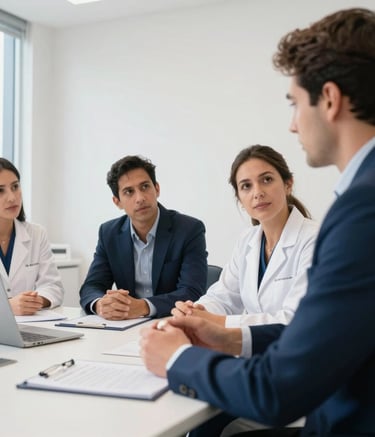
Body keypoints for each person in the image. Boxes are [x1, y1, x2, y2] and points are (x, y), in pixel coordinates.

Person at [140, 8, 375, 436]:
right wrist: (220, 330)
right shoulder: (354, 203)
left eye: (294, 104)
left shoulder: (362, 210)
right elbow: (234, 299)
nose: (292, 124)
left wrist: (176, 358)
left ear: (329, 98)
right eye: (246, 186)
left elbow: (280, 387)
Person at [172, 145, 318, 329]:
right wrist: (195, 310)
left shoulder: (314, 238)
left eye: (267, 179)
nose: (257, 192)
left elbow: (296, 317)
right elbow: (223, 297)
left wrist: (215, 321)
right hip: (255, 347)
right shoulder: (247, 241)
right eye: (246, 186)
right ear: (240, 199)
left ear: (288, 184)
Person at [79, 155, 207, 320]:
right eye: (129, 192)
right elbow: (92, 286)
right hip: (126, 327)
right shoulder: (108, 233)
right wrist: (100, 304)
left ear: (157, 189)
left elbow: (192, 291)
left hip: (172, 323)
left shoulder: (189, 229)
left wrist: (143, 306)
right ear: (117, 201)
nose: (140, 198)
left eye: (145, 186)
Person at [0, 158, 64, 315]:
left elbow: (53, 287)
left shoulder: (36, 234)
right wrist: (8, 308)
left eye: (15, 187)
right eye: (0, 191)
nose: (12, 197)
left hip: (31, 326)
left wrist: (34, 301)